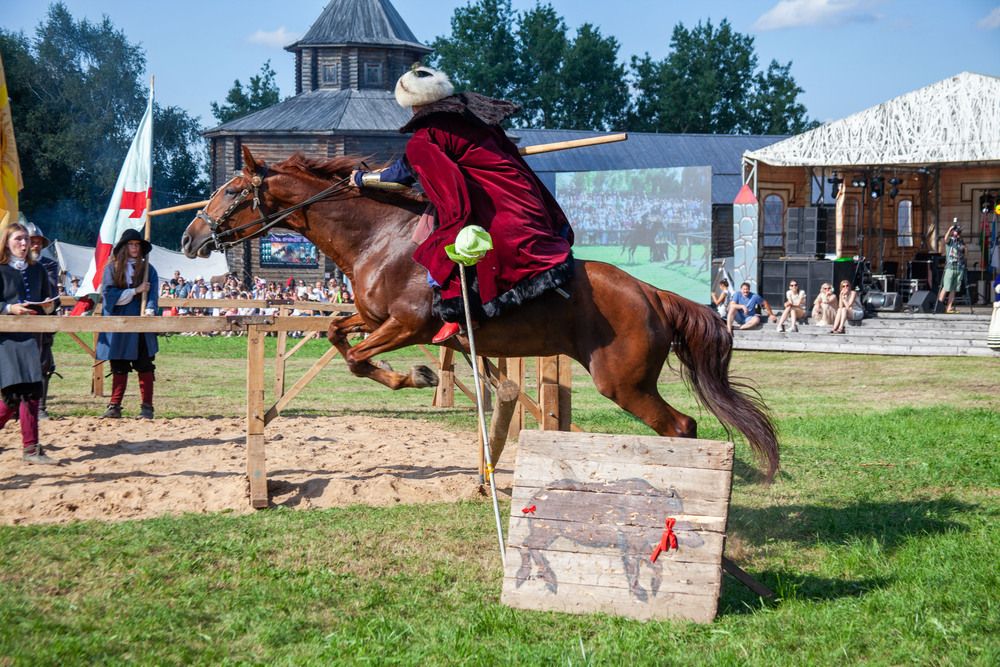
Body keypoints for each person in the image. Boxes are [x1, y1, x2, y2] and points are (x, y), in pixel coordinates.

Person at [350, 65, 574, 344]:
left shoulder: (425, 137)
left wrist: (362, 178)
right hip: (526, 198)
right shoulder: (474, 118)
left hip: (501, 206)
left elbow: (406, 175)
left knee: (443, 246)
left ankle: (458, 314)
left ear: (414, 105)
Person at [0, 222, 58, 463]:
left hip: (32, 338)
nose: (24, 244)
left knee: (32, 392)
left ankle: (31, 448)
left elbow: (51, 302)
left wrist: (48, 306)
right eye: (18, 239)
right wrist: (9, 308)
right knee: (13, 395)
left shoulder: (39, 270)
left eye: (26, 239)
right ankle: (31, 447)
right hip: (6, 339)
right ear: (6, 242)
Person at [96, 229, 160, 419]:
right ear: (124, 247)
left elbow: (153, 295)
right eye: (131, 244)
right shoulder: (112, 269)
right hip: (119, 325)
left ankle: (147, 407)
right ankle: (115, 406)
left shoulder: (149, 270)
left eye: (138, 244)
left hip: (140, 325)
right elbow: (109, 298)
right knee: (118, 364)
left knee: (144, 364)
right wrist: (135, 290)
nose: (135, 248)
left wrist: (149, 310)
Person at [25, 222, 60, 419]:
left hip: (43, 318)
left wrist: (48, 305)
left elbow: (51, 293)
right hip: (19, 319)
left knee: (44, 363)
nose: (35, 245)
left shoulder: (49, 265)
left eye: (38, 242)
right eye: (32, 241)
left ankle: (40, 408)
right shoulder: (13, 266)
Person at [937, 221, 966, 314]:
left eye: (958, 232)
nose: (957, 233)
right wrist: (950, 229)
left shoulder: (961, 242)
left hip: (959, 267)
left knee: (954, 289)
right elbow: (945, 239)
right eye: (956, 232)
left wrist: (965, 248)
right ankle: (939, 306)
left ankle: (949, 307)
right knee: (946, 287)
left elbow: (966, 253)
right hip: (950, 267)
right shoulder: (950, 241)